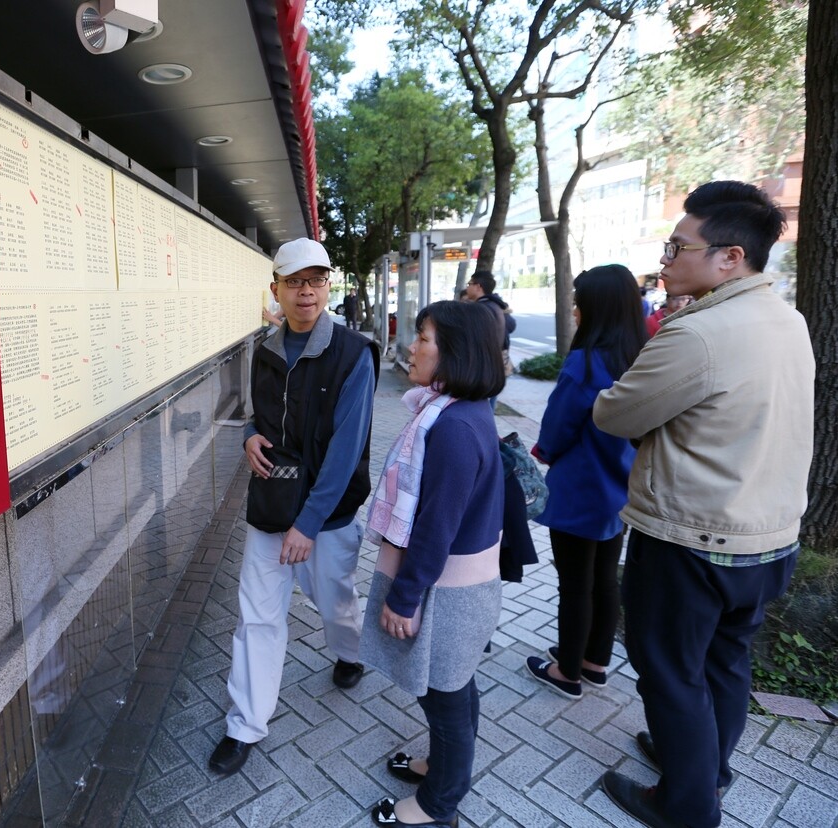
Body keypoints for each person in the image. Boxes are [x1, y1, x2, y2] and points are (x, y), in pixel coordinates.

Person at [593, 181, 814, 828]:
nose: (666, 260)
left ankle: (686, 806)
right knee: (724, 660)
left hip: (693, 539)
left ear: (729, 258)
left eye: (677, 247)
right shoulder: (787, 319)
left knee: (667, 673)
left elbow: (614, 413)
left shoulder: (699, 333)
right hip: (768, 537)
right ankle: (704, 763)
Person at [209, 237, 379, 777]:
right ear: (275, 290)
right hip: (272, 501)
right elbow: (261, 414)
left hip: (327, 514)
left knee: (333, 602)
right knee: (258, 616)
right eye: (295, 281)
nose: (306, 291)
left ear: (328, 286)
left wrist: (307, 525)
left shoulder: (355, 353)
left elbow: (347, 448)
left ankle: (349, 653)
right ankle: (245, 724)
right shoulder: (265, 349)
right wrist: (252, 436)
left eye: (316, 280)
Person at [362, 301, 506, 828]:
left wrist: (404, 598)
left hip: (447, 591)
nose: (414, 347)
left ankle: (437, 805)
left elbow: (435, 528)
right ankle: (441, 769)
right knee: (453, 687)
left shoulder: (453, 428)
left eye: (424, 338)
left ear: (455, 353)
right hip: (461, 586)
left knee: (445, 699)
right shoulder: (454, 412)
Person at [523, 265, 647, 700]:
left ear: (596, 308)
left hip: (581, 485)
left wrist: (545, 454)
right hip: (620, 485)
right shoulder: (641, 355)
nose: (575, 309)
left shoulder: (586, 361)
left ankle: (567, 672)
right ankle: (595, 662)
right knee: (604, 579)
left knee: (574, 583)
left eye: (580, 302)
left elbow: (560, 423)